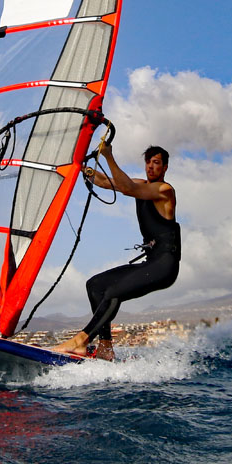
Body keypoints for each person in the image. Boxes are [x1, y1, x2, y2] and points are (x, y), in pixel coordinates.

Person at [51, 144, 180, 360]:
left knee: (113, 292)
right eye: (148, 162)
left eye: (156, 162)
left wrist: (109, 156)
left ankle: (81, 340)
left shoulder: (165, 191)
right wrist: (81, 168)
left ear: (165, 167)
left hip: (165, 265)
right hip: (151, 262)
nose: (150, 166)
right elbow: (106, 182)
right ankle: (106, 348)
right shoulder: (140, 185)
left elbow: (128, 188)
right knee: (95, 285)